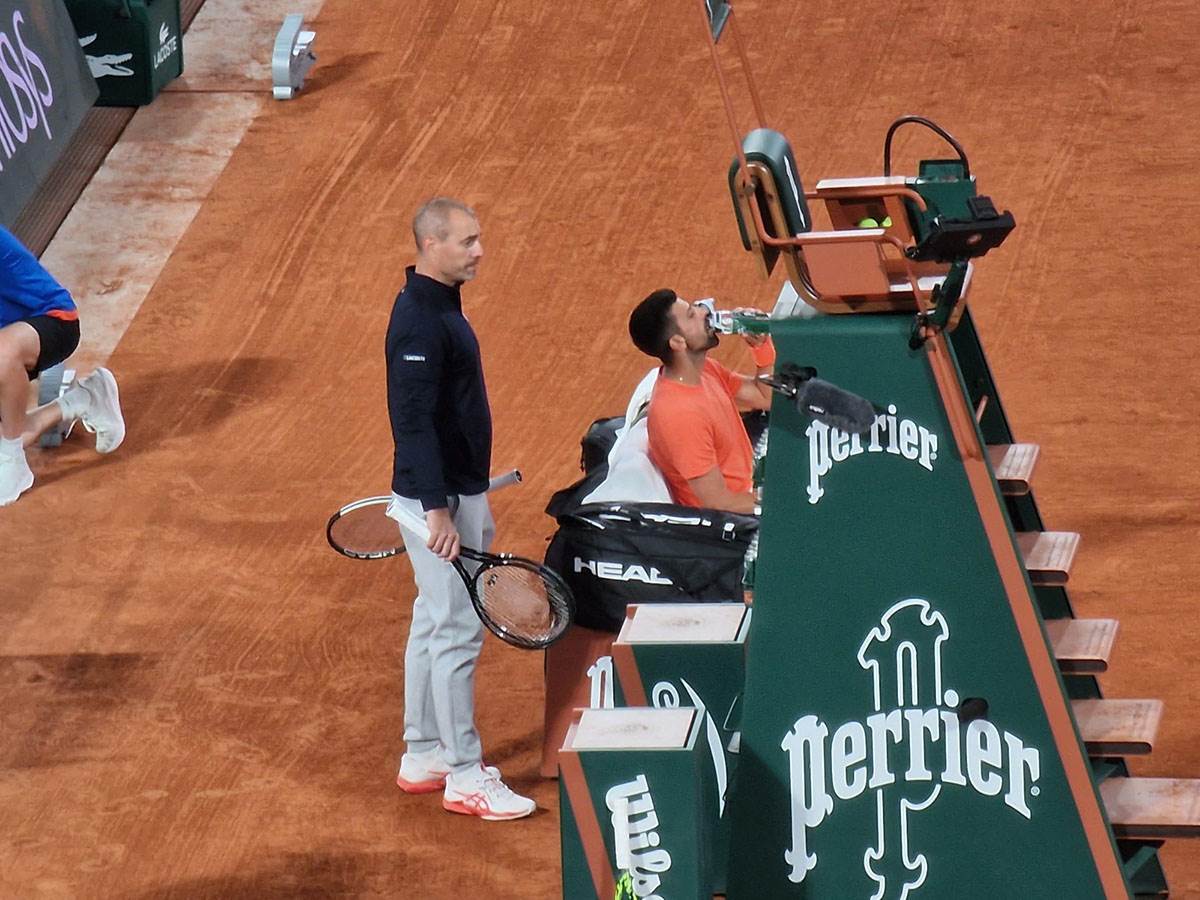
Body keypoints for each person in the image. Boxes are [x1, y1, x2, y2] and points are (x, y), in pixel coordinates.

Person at [383, 197, 535, 821]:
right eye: (467, 241)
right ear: (431, 245)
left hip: (446, 492)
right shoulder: (421, 320)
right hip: (440, 500)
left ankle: (423, 753)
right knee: (456, 632)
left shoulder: (436, 304)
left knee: (432, 620)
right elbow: (412, 421)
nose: (479, 250)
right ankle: (465, 776)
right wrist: (438, 510)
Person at [0, 225, 125, 507]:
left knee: (3, 353)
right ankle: (79, 399)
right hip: (13, 344)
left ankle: (11, 458)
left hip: (52, 323)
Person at [628, 288, 774, 514]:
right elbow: (720, 503)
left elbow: (765, 396)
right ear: (677, 342)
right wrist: (783, 504)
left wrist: (762, 347)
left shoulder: (705, 370)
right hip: (741, 524)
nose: (703, 312)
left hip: (756, 490)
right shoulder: (680, 415)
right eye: (690, 315)